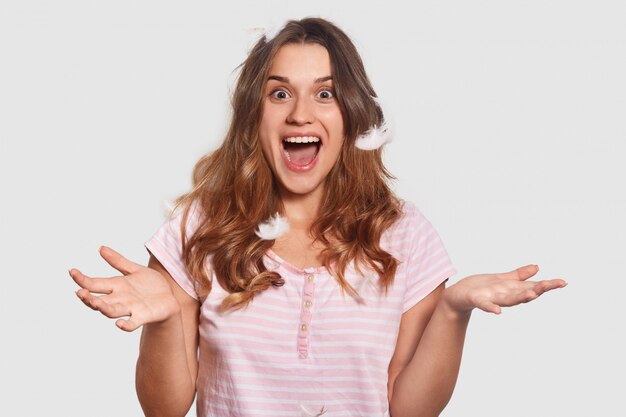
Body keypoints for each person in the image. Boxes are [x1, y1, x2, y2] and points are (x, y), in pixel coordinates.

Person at [69, 17, 567, 417]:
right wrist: (166, 317)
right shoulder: (198, 226)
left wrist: (455, 310)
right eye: (279, 93)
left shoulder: (405, 234)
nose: (301, 114)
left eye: (325, 93)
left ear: (351, 114)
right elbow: (164, 409)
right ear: (254, 113)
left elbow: (408, 409)